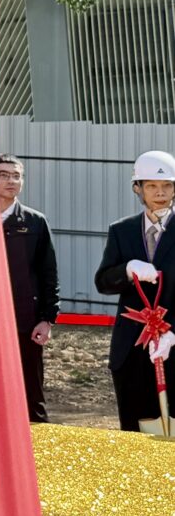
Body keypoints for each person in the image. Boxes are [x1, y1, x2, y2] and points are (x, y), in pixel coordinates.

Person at [94, 150, 175, 432]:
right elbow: (103, 282)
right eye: (151, 185)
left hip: (172, 345)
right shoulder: (122, 231)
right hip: (131, 350)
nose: (160, 193)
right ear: (137, 188)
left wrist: (173, 333)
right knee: (134, 429)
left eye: (167, 186)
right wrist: (126, 269)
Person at [0, 155, 60, 423]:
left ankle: (36, 451)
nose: (11, 181)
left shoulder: (35, 222)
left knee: (30, 389)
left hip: (24, 320)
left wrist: (47, 319)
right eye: (3, 174)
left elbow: (49, 274)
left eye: (16, 175)